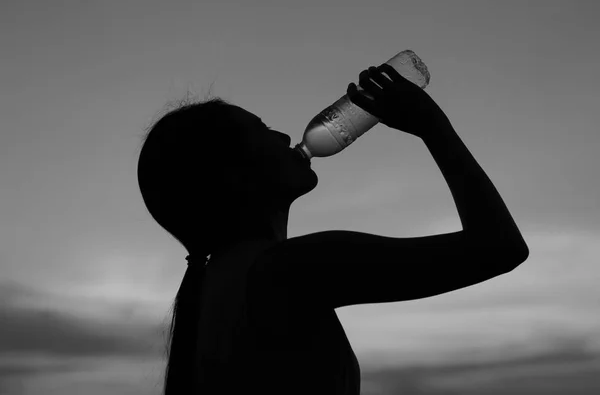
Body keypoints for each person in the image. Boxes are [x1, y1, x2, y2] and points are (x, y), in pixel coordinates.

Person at [137, 64, 529, 395]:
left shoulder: (218, 285)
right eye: (262, 130)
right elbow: (499, 248)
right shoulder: (289, 269)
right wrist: (432, 125)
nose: (283, 137)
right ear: (230, 176)